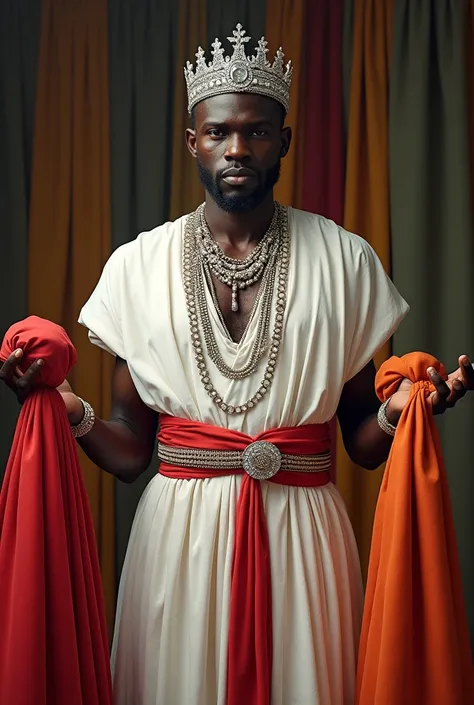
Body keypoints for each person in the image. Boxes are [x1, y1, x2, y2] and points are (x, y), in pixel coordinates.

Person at [1, 24, 473, 705]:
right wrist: (66, 409)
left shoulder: (343, 260)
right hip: (177, 545)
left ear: (283, 141)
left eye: (255, 132)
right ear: (192, 140)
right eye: (218, 132)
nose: (236, 148)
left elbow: (360, 442)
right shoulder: (138, 267)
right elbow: (134, 449)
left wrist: (406, 412)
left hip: (302, 538)